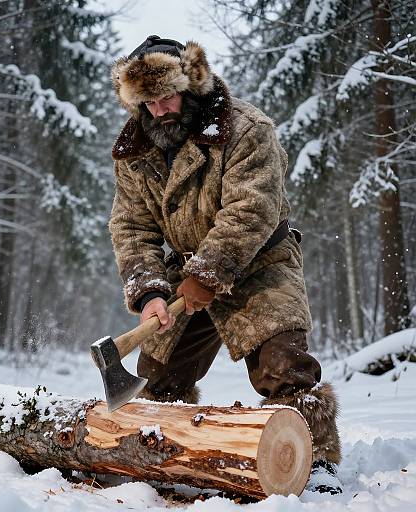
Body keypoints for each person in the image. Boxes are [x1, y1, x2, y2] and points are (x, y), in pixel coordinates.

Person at [109, 36, 341, 493]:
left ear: (192, 83)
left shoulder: (247, 128)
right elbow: (131, 227)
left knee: (283, 366)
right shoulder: (134, 151)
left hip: (260, 260)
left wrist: (208, 274)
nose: (159, 111)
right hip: (185, 269)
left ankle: (313, 462)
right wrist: (152, 291)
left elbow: (250, 212)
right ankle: (165, 457)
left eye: (167, 96)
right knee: (158, 379)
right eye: (148, 102)